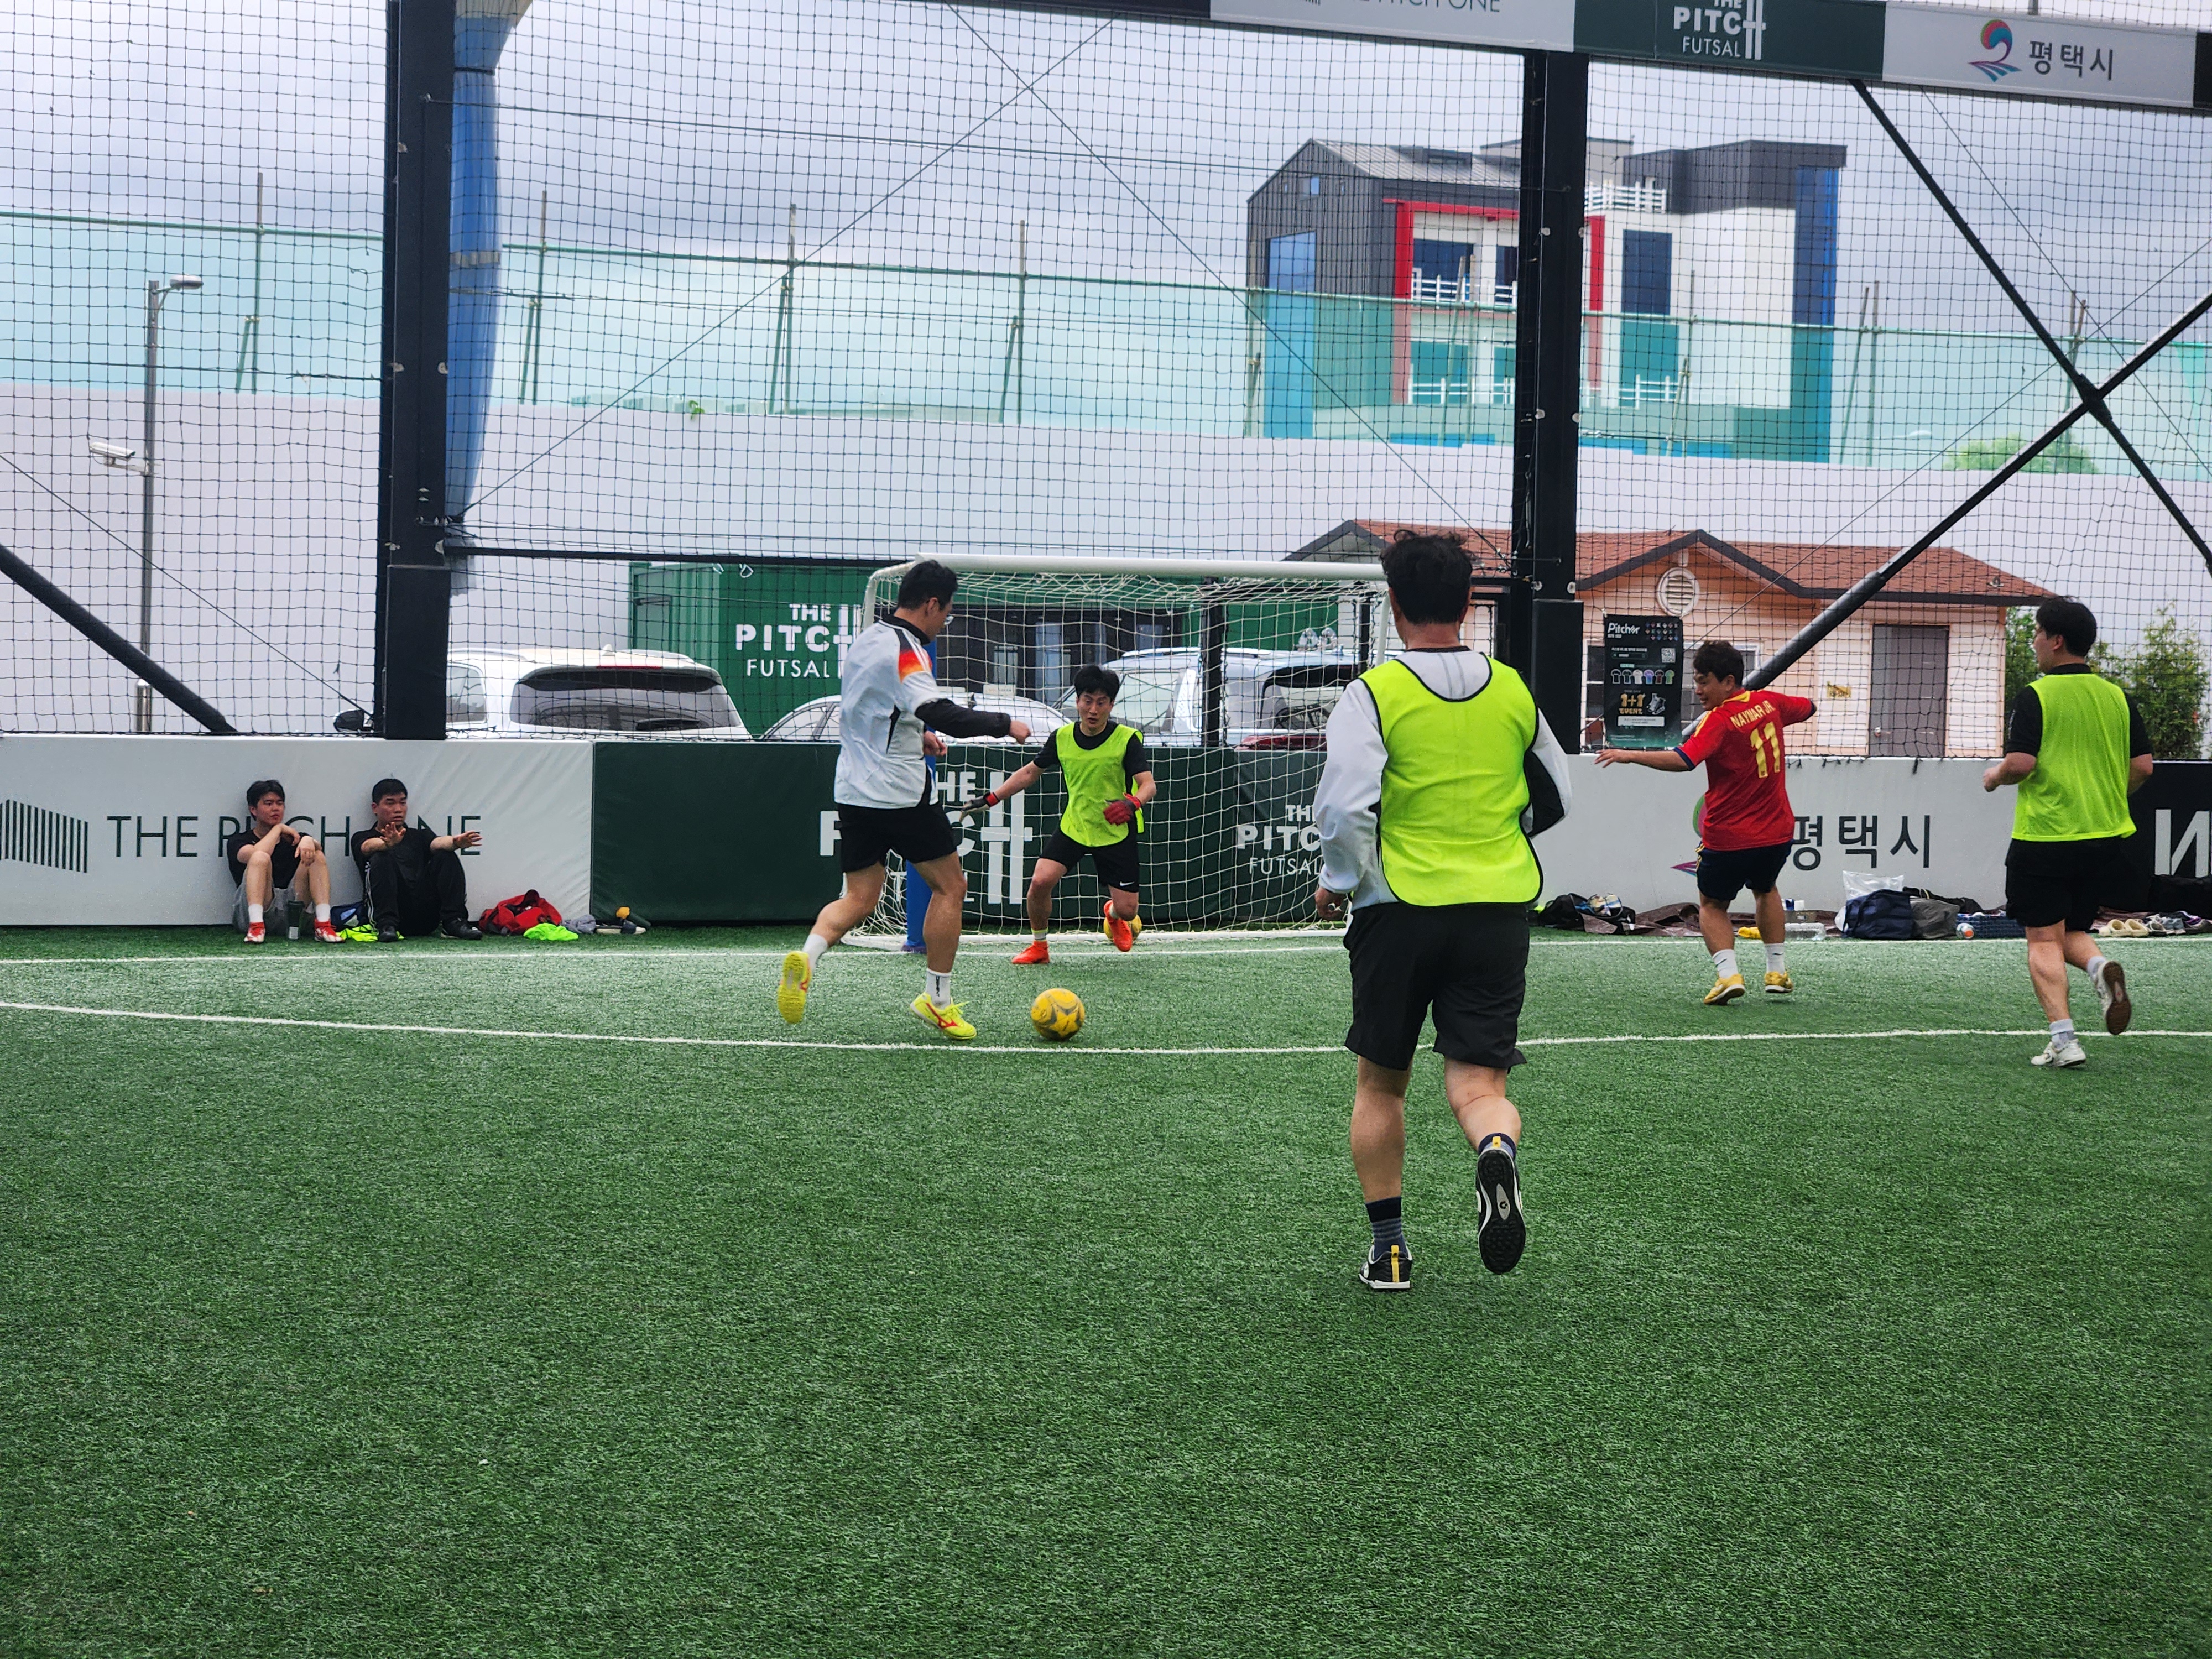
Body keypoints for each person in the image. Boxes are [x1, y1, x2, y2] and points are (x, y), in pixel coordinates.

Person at [1312, 531, 1571, 1293]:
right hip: (1497, 909)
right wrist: (1491, 842)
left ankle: (1389, 1252)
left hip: (1400, 909)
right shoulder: (1513, 690)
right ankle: (1495, 1149)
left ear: (1394, 603)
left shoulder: (1372, 693)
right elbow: (1555, 795)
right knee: (1480, 1087)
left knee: (1380, 1086)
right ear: (1467, 603)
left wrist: (1338, 880)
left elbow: (1345, 808)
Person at [777, 560, 1031, 1039]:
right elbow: (941, 711)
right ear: (932, 604)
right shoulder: (907, 651)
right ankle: (937, 999)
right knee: (951, 887)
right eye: (947, 613)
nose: (944, 623)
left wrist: (919, 736)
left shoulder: (866, 640)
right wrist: (1004, 724)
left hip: (852, 789)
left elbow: (876, 710)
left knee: (859, 897)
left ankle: (807, 958)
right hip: (899, 793)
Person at [1596, 642, 1817, 1005]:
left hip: (1729, 836)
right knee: (1766, 890)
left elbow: (1685, 760)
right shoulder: (1770, 703)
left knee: (1712, 905)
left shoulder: (1719, 720)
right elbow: (1809, 707)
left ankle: (1728, 975)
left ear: (1728, 682)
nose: (1697, 689)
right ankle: (1777, 972)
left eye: (1704, 681)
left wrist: (1629, 755)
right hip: (1777, 832)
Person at [1984, 598, 2154, 1068]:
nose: (2034, 642)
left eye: (2038, 633)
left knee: (2042, 939)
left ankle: (2064, 1040)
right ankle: (2100, 968)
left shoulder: (2036, 695)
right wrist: (2110, 796)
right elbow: (2143, 767)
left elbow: (2021, 764)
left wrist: (1994, 776)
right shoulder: (2117, 697)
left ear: (2056, 641)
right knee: (2071, 929)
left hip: (2047, 835)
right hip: (2104, 837)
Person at [958, 664, 1157, 964]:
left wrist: (1132, 804)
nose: (1093, 710)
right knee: (1040, 883)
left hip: (1115, 829)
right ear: (1077, 701)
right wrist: (991, 798)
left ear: (1111, 705)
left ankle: (1114, 915)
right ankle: (1039, 947)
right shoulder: (1062, 737)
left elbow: (1148, 785)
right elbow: (1030, 772)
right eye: (1087, 701)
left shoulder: (1127, 739)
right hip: (1075, 826)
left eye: (1101, 703)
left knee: (1129, 911)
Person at [348, 778, 483, 943]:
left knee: (445, 854)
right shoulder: (362, 837)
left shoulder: (419, 835)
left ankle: (454, 922)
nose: (398, 809)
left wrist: (455, 843)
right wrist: (387, 844)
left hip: (425, 917)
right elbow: (367, 847)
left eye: (403, 803)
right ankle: (385, 925)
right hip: (392, 918)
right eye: (390, 803)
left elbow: (437, 843)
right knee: (381, 856)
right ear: (375, 808)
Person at [225, 779, 340, 944]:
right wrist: (278, 829)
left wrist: (309, 840)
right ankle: (256, 927)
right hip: (253, 912)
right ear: (253, 810)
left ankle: (323, 925)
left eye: (280, 803)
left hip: (293, 912)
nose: (275, 808)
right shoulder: (239, 840)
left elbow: (317, 851)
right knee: (260, 857)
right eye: (268, 803)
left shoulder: (294, 839)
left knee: (316, 855)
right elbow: (256, 855)